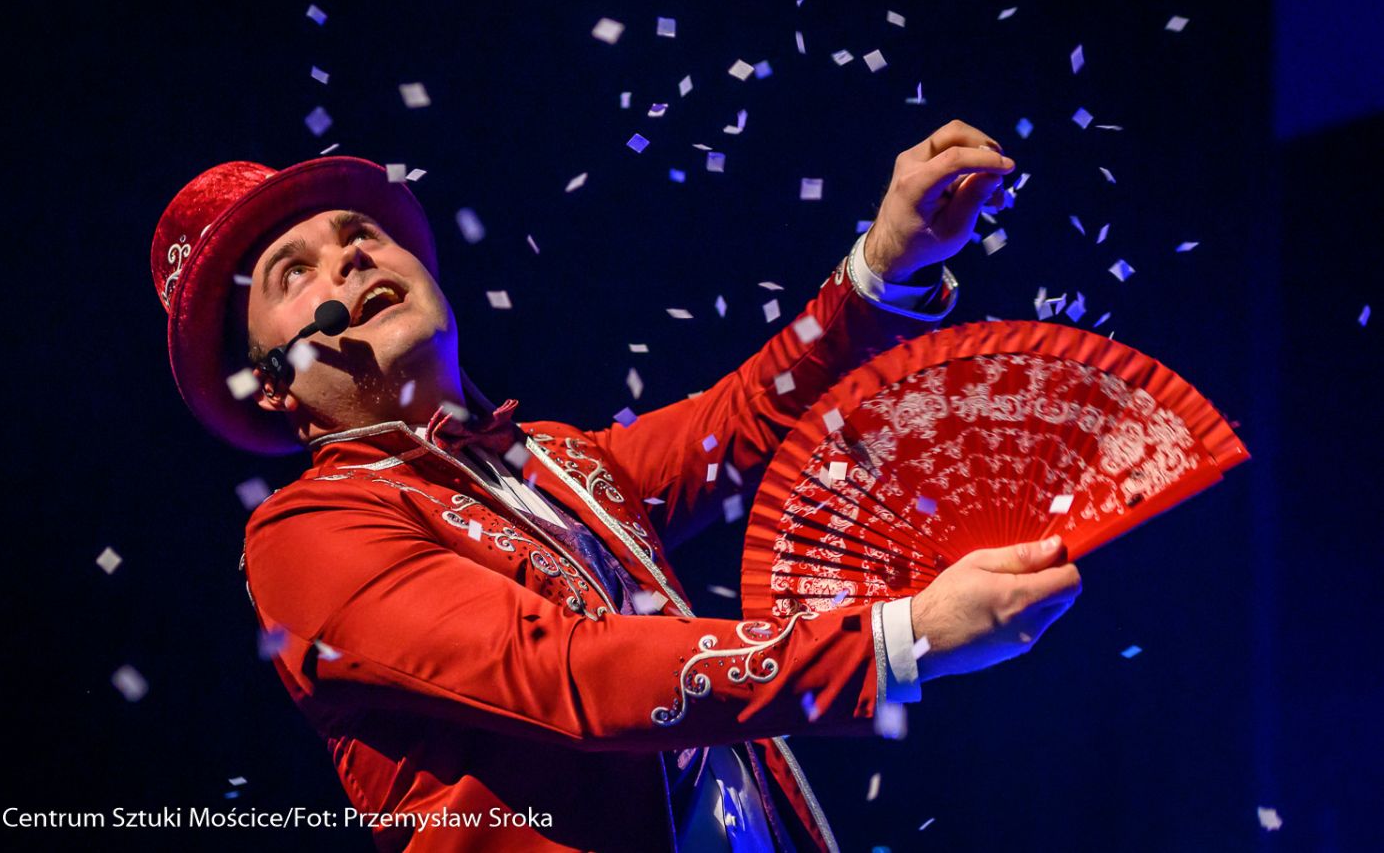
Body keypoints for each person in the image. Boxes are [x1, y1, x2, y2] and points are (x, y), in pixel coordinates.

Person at [148, 119, 1083, 852]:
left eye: (362, 233)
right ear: (270, 382)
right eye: (295, 271)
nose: (352, 257)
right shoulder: (306, 532)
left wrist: (885, 263)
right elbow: (562, 671)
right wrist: (900, 639)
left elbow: (741, 416)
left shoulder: (554, 458)